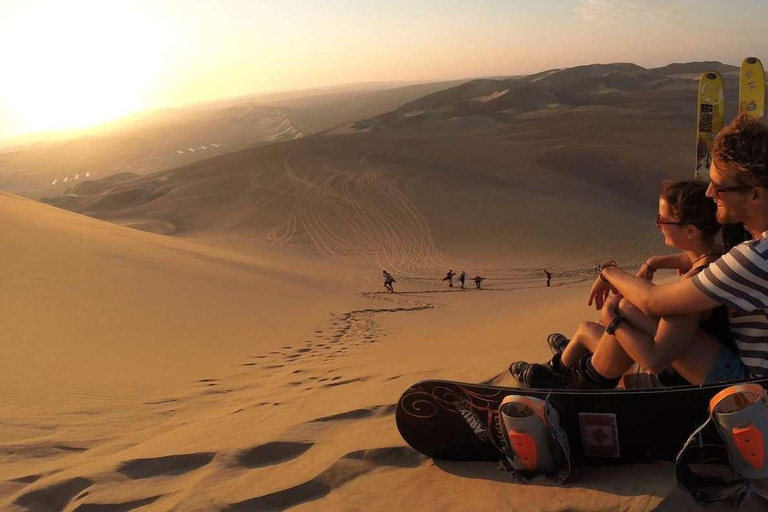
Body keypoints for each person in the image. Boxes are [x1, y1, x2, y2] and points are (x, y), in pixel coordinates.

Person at [510, 180, 734, 389]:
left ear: (691, 231)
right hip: (687, 361)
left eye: (662, 220)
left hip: (680, 379)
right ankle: (557, 368)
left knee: (626, 309)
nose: (658, 225)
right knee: (587, 329)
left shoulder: (692, 290)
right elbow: (693, 259)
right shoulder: (717, 257)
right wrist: (653, 262)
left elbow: (655, 359)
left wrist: (613, 320)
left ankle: (569, 383)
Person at [597, 114, 768, 382]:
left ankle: (583, 385)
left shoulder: (755, 258)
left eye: (719, 188)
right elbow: (718, 261)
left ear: (755, 195)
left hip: (753, 387)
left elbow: (652, 301)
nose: (710, 194)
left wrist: (607, 272)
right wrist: (657, 262)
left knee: (627, 309)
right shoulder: (755, 251)